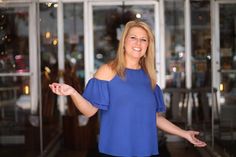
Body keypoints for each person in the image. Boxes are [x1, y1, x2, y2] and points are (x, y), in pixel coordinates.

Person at [49, 20, 206, 157]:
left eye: (143, 40)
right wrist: (72, 92)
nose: (138, 43)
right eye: (133, 38)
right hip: (115, 151)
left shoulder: (149, 78)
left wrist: (184, 134)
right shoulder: (108, 71)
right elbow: (89, 111)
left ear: (147, 47)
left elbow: (156, 118)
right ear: (123, 42)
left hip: (145, 151)